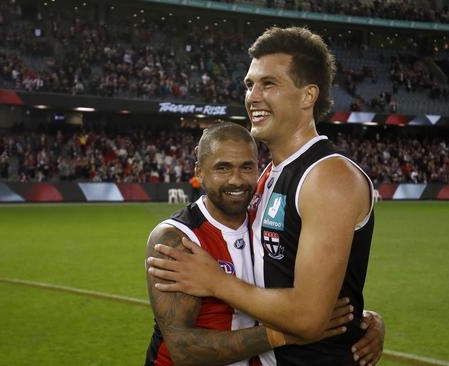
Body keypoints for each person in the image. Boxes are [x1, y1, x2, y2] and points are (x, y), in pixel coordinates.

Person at [148, 27, 381, 365]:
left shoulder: (328, 176)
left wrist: (216, 281)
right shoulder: (266, 177)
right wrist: (366, 317)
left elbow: (309, 318)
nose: (253, 96)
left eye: (268, 84)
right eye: (249, 85)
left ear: (307, 96)